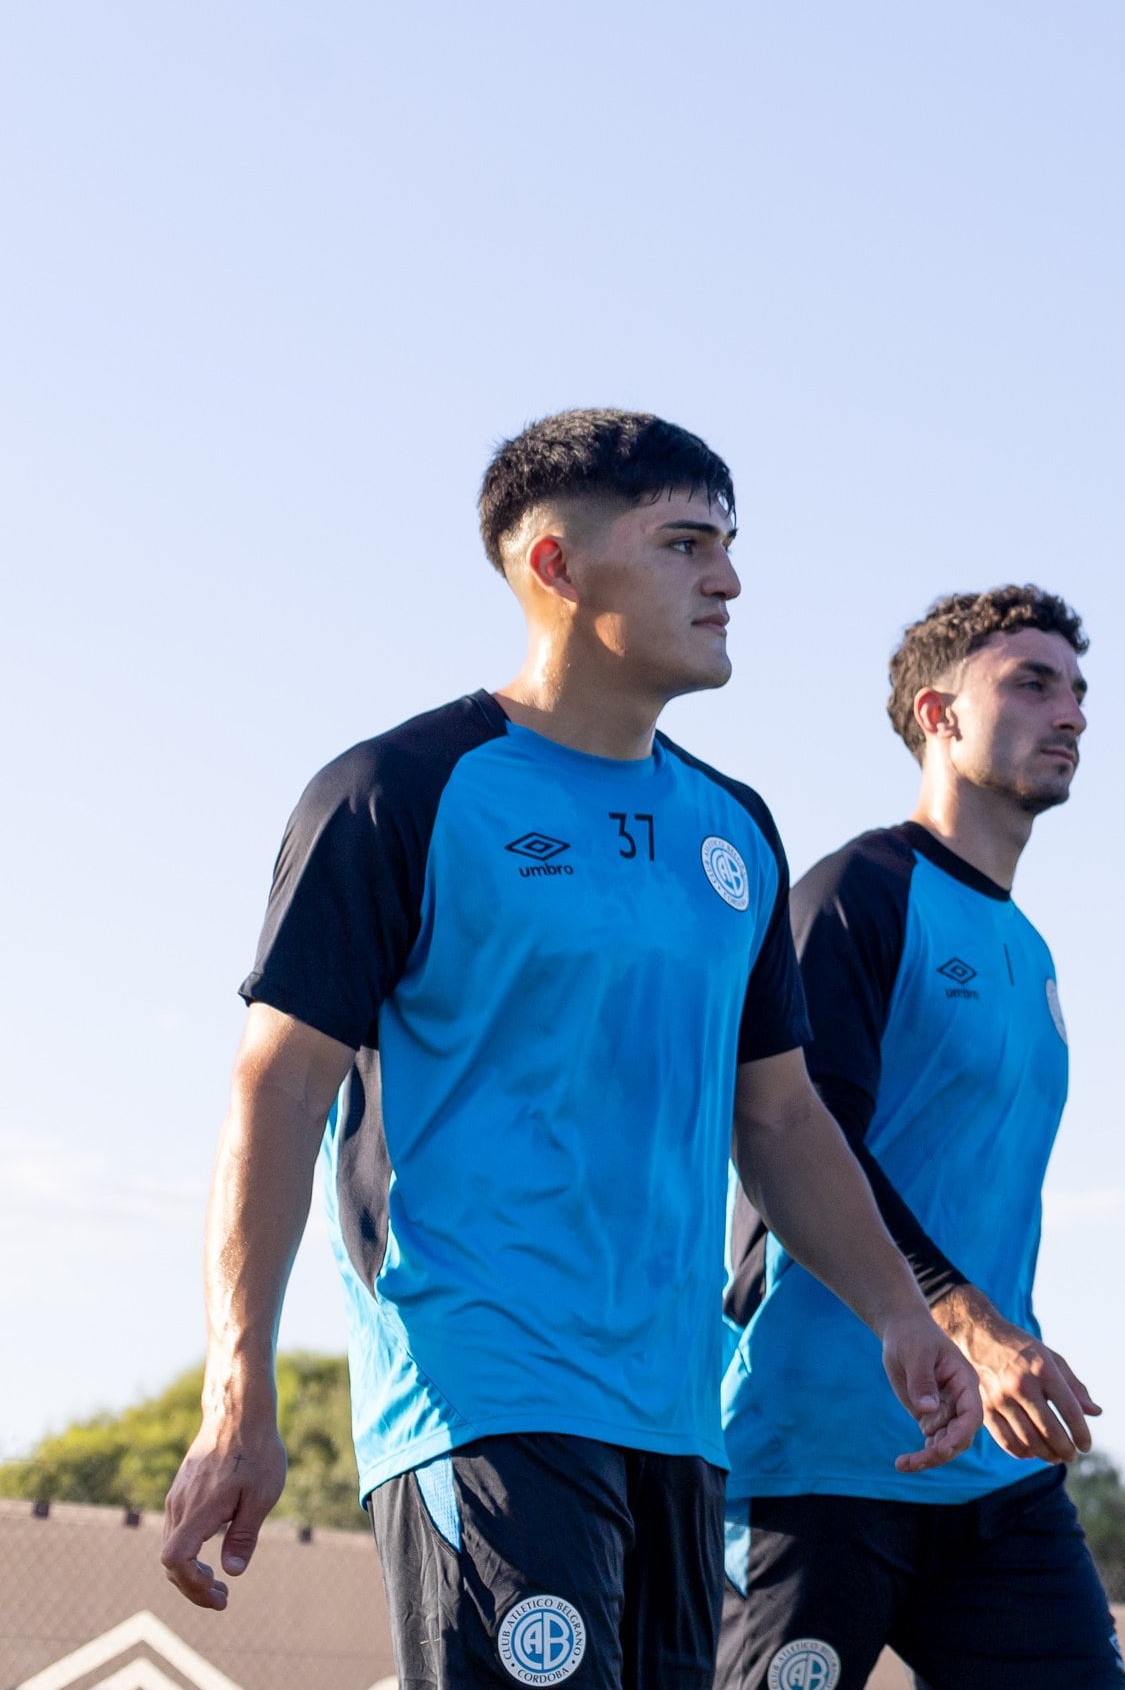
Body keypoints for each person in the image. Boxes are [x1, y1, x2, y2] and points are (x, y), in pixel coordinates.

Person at [158, 410, 981, 1690]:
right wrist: (236, 1390)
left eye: (729, 544)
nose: (728, 578)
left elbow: (780, 1121)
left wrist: (899, 1312)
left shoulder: (735, 831)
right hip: (476, 1389)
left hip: (674, 1415)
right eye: (685, 542)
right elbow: (277, 1087)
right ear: (554, 566)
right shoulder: (398, 793)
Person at [718, 584, 1124, 1690]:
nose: (1071, 712)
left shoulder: (1029, 950)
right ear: (936, 714)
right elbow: (805, 1141)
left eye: (1078, 690)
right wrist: (970, 1323)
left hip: (992, 1476)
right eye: (1031, 684)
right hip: (819, 1454)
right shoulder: (854, 895)